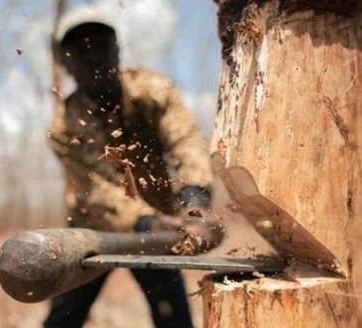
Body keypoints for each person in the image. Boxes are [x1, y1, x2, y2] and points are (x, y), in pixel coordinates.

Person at [45, 9, 223, 328]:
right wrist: (145, 222)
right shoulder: (64, 126)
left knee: (173, 318)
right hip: (92, 231)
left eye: (100, 46)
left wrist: (195, 201)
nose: (93, 57)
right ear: (66, 63)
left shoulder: (152, 90)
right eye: (80, 51)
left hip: (158, 226)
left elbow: (186, 140)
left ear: (116, 50)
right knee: (63, 319)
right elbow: (94, 190)